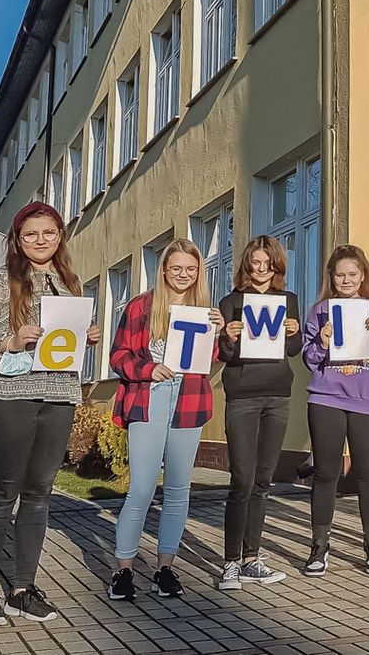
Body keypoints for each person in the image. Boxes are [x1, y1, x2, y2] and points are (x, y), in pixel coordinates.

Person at [0, 201, 99, 626]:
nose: (41, 241)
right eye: (31, 234)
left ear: (60, 237)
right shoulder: (0, 281)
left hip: (58, 396)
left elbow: (63, 343)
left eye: (49, 233)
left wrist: (85, 336)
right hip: (10, 396)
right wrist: (12, 339)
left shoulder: (68, 284)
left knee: (39, 494)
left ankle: (22, 588)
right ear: (18, 240)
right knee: (2, 493)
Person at [107, 239, 224, 602]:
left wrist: (218, 333)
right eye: (176, 269)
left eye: (190, 269)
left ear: (199, 272)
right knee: (141, 489)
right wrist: (147, 368)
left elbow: (210, 360)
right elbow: (118, 356)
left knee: (177, 490)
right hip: (148, 397)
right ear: (163, 269)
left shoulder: (203, 308)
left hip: (189, 400)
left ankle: (165, 568)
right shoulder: (141, 306)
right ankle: (123, 571)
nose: (183, 276)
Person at [301, 245, 369, 577]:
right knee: (326, 474)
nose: (346, 280)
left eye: (352, 274)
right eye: (340, 274)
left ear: (362, 276)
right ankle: (319, 546)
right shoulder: (320, 311)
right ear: (331, 276)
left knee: (368, 473)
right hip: (326, 397)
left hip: (367, 400)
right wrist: (322, 342)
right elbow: (309, 360)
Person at [216, 236, 302, 590]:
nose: (262, 268)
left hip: (277, 395)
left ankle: (252, 558)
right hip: (242, 396)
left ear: (277, 266)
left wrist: (294, 331)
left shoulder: (288, 300)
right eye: (256, 261)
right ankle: (231, 563)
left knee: (263, 482)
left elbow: (293, 349)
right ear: (247, 264)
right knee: (242, 480)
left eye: (268, 262)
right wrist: (230, 335)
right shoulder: (232, 301)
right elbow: (224, 354)